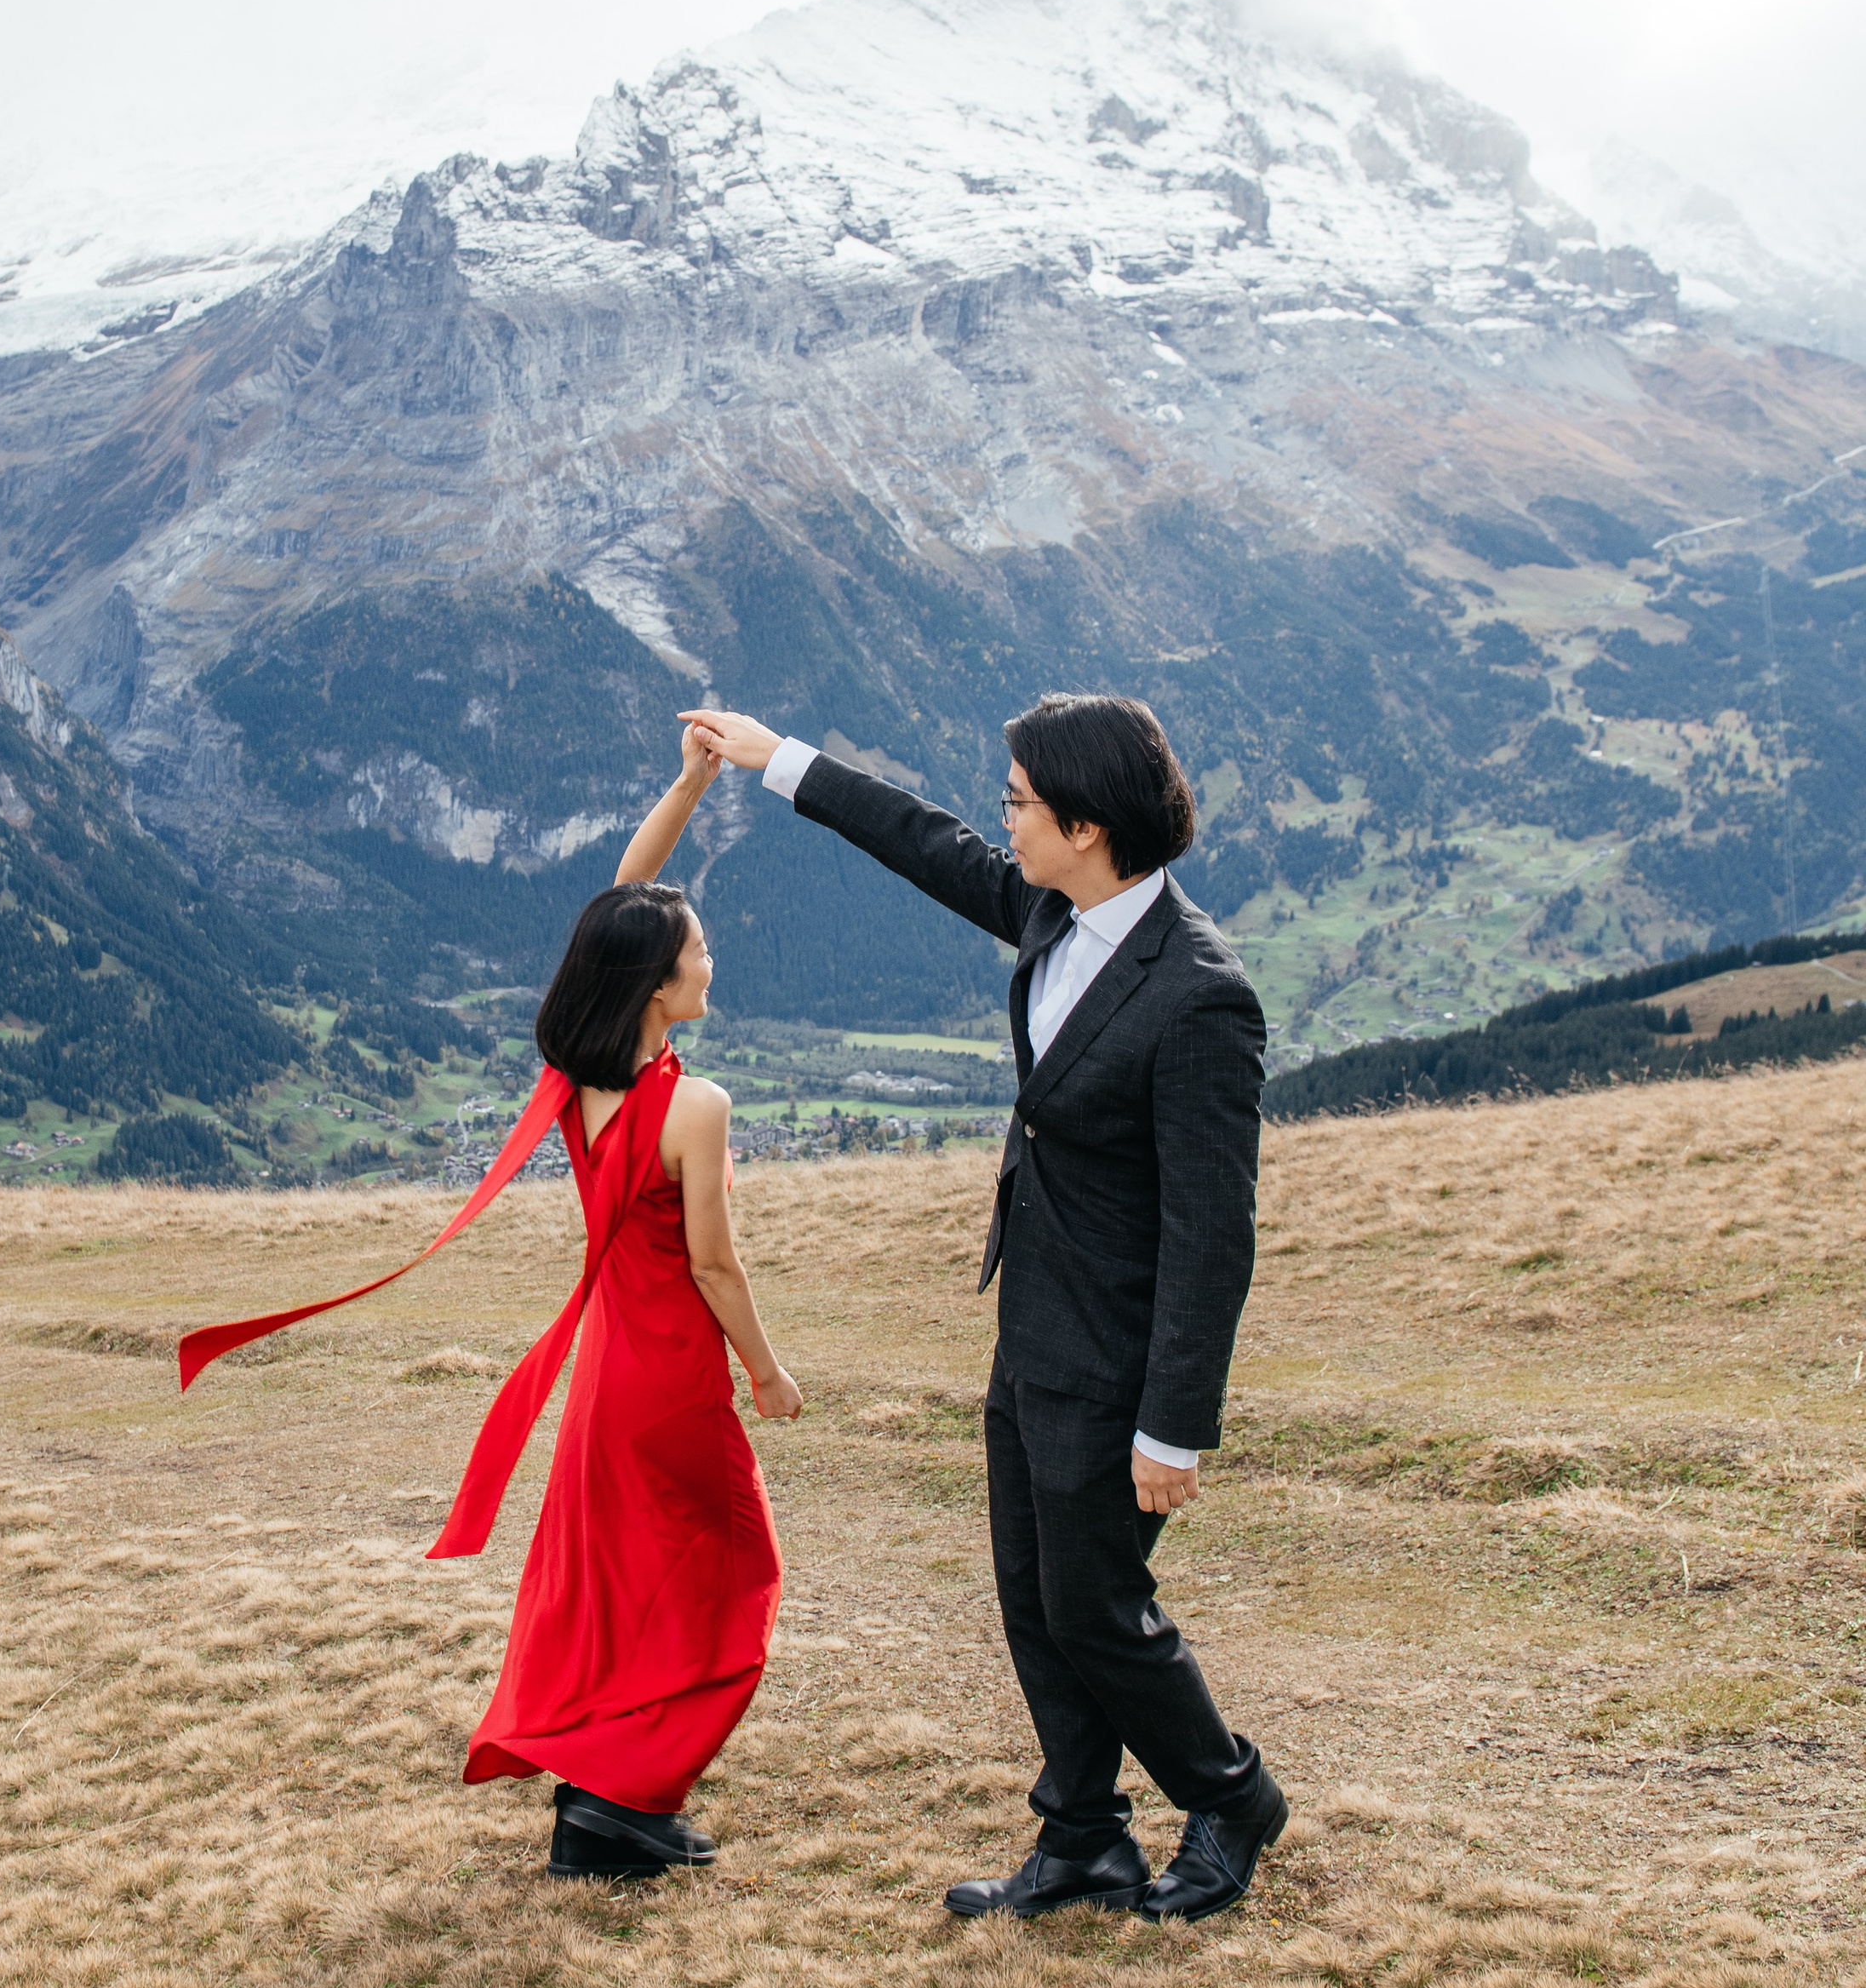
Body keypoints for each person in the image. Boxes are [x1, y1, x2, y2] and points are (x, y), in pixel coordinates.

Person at [683, 692, 1285, 1924]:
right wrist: (775, 759)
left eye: (1019, 803)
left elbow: (1213, 1238)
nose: (1000, 821)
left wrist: (1175, 1426)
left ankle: (1231, 1794)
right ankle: (1082, 1839)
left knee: (1097, 1609)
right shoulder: (1053, 911)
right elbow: (921, 841)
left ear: (1087, 824)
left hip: (1116, 1358)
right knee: (1033, 1595)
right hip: (1033, 1329)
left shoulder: (1198, 995)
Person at [441, 725, 804, 1883]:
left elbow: (620, 900)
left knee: (628, 1588)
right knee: (737, 1580)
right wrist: (765, 1369)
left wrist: (693, 782)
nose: (710, 958)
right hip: (673, 1379)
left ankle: (612, 1805)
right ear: (659, 984)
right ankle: (626, 1794)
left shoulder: (578, 1082)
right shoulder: (695, 1102)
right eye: (696, 949)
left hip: (606, 1377)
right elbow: (715, 1268)